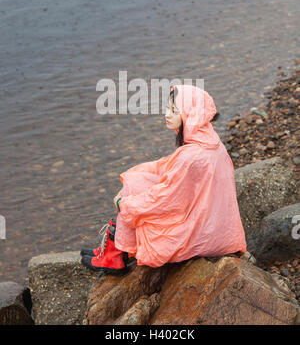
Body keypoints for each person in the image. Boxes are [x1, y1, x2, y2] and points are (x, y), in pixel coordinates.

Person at [81, 84, 247, 275]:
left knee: (134, 203)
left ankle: (115, 255)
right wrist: (134, 178)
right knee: (137, 181)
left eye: (174, 110)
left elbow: (166, 199)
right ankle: (116, 249)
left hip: (202, 233)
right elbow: (168, 167)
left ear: (190, 114)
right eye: (168, 108)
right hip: (217, 226)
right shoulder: (210, 141)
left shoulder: (191, 156)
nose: (167, 114)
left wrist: (124, 204)